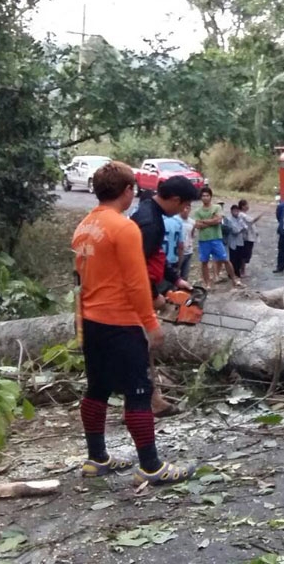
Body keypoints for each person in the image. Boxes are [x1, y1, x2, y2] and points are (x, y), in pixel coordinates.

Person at [71, 161, 195, 486]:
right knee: (139, 391)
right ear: (128, 191)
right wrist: (151, 323)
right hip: (120, 322)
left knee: (97, 389)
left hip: (91, 320)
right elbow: (136, 283)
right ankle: (151, 466)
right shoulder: (123, 228)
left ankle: (96, 458)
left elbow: (80, 278)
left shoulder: (85, 226)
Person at [129, 175, 200, 419]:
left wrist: (176, 278)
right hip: (136, 292)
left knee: (142, 345)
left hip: (144, 286)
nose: (183, 210)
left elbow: (155, 255)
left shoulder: (151, 213)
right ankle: (145, 401)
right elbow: (135, 265)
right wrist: (154, 295)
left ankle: (148, 399)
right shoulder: (150, 222)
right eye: (184, 205)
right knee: (142, 344)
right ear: (176, 200)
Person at [193, 187, 242, 289]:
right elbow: (197, 225)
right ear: (201, 197)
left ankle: (234, 279)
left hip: (216, 238)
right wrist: (211, 220)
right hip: (203, 239)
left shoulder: (217, 208)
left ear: (211, 197)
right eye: (203, 196)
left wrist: (204, 221)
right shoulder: (197, 211)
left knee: (224, 259)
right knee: (204, 262)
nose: (205, 198)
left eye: (207, 195)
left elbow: (218, 220)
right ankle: (207, 283)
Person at [235, 199, 264, 278]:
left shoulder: (242, 214)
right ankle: (242, 271)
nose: (248, 206)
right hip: (246, 237)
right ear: (243, 206)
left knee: (245, 254)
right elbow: (252, 221)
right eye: (246, 205)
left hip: (247, 237)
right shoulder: (242, 215)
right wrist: (260, 215)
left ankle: (242, 270)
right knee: (245, 255)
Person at [224, 204, 247, 277]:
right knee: (232, 259)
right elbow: (234, 231)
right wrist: (241, 229)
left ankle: (238, 273)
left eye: (237, 211)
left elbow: (245, 227)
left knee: (239, 258)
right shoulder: (228, 219)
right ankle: (231, 274)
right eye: (234, 211)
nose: (236, 212)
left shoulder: (240, 218)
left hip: (240, 241)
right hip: (232, 242)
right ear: (231, 211)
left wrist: (240, 229)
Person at [178, 202, 195, 282]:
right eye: (184, 208)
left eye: (187, 208)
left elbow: (192, 234)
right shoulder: (176, 220)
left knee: (185, 275)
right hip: (179, 252)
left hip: (189, 251)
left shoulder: (192, 222)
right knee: (176, 275)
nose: (185, 210)